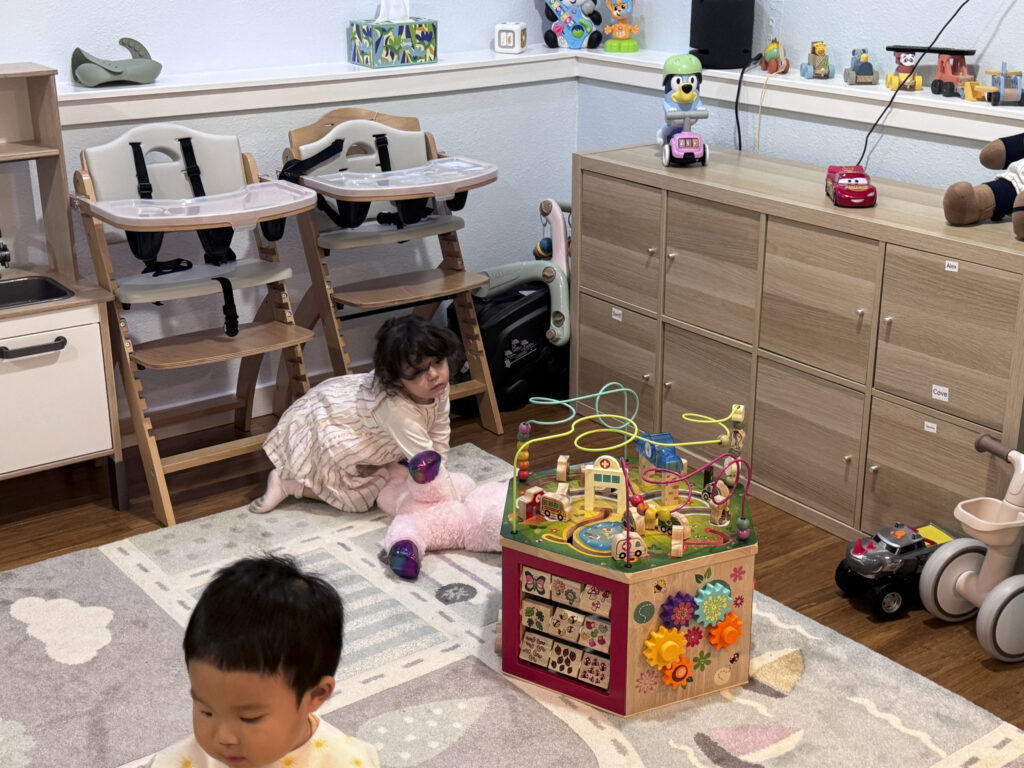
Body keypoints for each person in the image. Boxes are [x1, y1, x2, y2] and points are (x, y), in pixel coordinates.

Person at [147, 554, 379, 768]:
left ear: (316, 694)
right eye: (206, 712)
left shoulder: (346, 761)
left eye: (249, 718)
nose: (224, 737)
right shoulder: (183, 762)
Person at [250, 314, 460, 516]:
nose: (433, 375)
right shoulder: (396, 410)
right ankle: (288, 483)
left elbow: (440, 429)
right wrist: (451, 504)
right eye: (417, 372)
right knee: (358, 499)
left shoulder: (436, 386)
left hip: (359, 423)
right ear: (396, 380)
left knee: (401, 474)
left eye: (438, 362)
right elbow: (424, 454)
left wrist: (443, 472)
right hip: (327, 423)